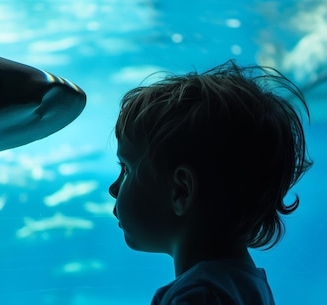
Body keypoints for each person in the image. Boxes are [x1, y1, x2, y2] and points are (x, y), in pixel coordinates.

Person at [108, 59, 313, 305]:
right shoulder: (247, 286)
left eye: (127, 169)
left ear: (181, 191)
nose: (113, 188)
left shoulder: (199, 296)